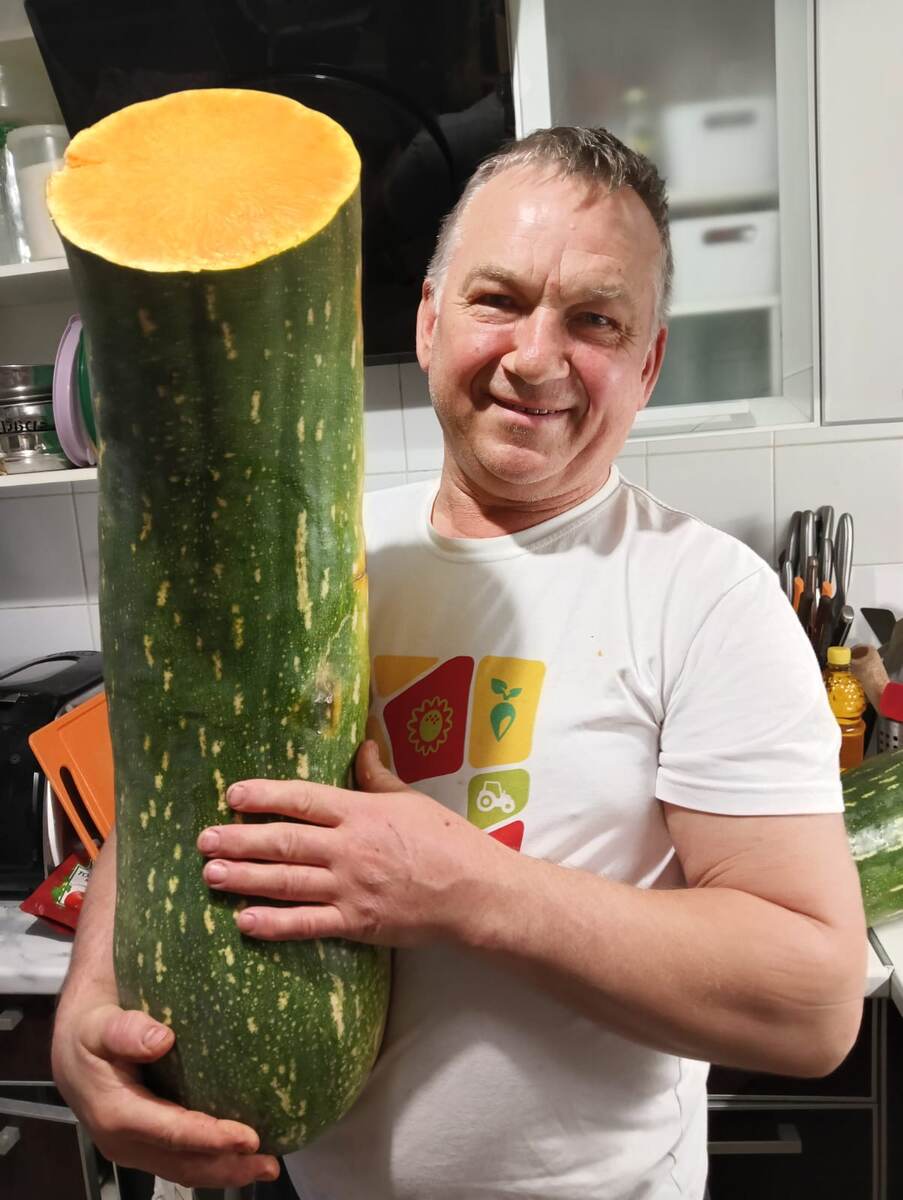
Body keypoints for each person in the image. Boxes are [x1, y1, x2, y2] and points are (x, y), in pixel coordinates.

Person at [52, 127, 866, 1199]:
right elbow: (170, 800)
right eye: (499, 300)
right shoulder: (312, 552)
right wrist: (86, 1001)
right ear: (429, 320)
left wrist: (468, 891)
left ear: (647, 364)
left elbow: (812, 1005)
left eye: (595, 319)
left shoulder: (707, 596)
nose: (536, 357)